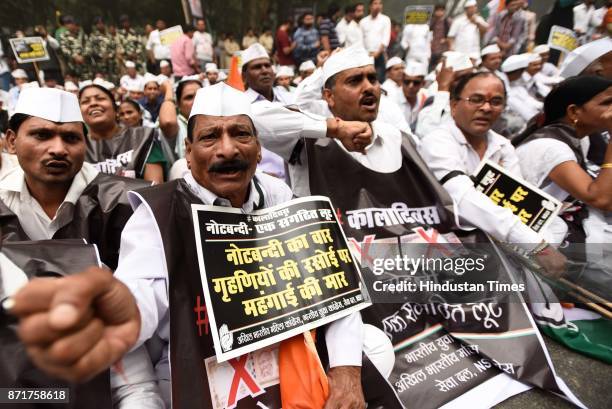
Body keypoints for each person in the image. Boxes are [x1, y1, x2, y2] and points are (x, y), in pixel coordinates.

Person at [8, 83, 379, 409]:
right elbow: (139, 299)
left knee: (373, 347)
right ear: (187, 150)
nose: (227, 149)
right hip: (197, 371)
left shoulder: (278, 193)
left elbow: (334, 286)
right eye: (210, 137)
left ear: (258, 145)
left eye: (240, 134)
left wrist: (346, 372)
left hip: (289, 361)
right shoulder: (159, 212)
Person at [418, 72, 567, 273]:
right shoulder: (437, 142)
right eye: (476, 100)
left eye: (496, 102)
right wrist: (535, 246)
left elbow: (517, 206)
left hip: (494, 247)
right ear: (454, 105)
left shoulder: (503, 146)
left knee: (557, 227)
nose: (486, 108)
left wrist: (540, 245)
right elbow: (462, 199)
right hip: (446, 248)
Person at [514, 76, 612, 250]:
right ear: (574, 112)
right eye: (607, 102)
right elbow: (600, 198)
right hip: (537, 243)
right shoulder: (551, 147)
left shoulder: (582, 139)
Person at [79, 84, 166, 183]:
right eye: (85, 101)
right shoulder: (76, 147)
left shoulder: (143, 137)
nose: (93, 103)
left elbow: (155, 188)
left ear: (115, 110)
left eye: (100, 99)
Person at [415, 52, 475, 138]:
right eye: (461, 78)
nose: (468, 82)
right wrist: (443, 90)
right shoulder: (433, 104)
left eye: (471, 76)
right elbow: (426, 134)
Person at [501, 53, 543, 132]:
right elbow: (528, 114)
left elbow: (530, 101)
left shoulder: (516, 84)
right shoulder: (505, 89)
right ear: (518, 72)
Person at [359, 0, 391, 82]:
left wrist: (378, 53)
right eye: (375, 3)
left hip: (379, 55)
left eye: (380, 3)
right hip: (366, 56)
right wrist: (366, 53)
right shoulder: (363, 22)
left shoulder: (385, 19)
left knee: (379, 80)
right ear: (370, 6)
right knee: (366, 80)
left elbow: (385, 38)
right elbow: (360, 40)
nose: (378, 6)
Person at [86, 17, 119, 85]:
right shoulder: (93, 36)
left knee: (112, 84)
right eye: (98, 23)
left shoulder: (109, 36)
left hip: (110, 65)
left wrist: (109, 55)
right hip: (98, 65)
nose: (100, 25)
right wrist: (99, 55)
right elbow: (88, 50)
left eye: (102, 23)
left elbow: (114, 48)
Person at [396, 61, 428, 129]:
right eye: (407, 82)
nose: (411, 86)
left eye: (416, 83)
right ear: (401, 80)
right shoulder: (392, 100)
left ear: (423, 83)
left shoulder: (425, 98)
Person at [59, 16, 88, 80]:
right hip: (71, 65)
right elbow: (64, 49)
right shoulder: (63, 36)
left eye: (70, 23)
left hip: (84, 64)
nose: (68, 25)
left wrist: (83, 56)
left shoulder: (82, 35)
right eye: (66, 24)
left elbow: (87, 46)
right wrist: (74, 56)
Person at [430, 4, 453, 70]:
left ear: (444, 11)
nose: (439, 12)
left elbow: (453, 35)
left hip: (444, 49)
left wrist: (446, 40)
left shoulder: (448, 21)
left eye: (441, 10)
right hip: (433, 49)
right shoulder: (432, 22)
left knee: (442, 67)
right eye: (437, 11)